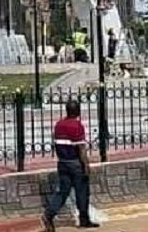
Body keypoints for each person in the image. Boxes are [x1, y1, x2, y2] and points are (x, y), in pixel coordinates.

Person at [42, 99, 99, 231]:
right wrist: (86, 165)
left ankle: (48, 214)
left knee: (62, 192)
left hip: (62, 162)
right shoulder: (77, 126)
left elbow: (56, 144)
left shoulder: (58, 125)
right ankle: (84, 220)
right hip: (75, 163)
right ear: (78, 111)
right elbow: (81, 149)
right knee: (82, 191)